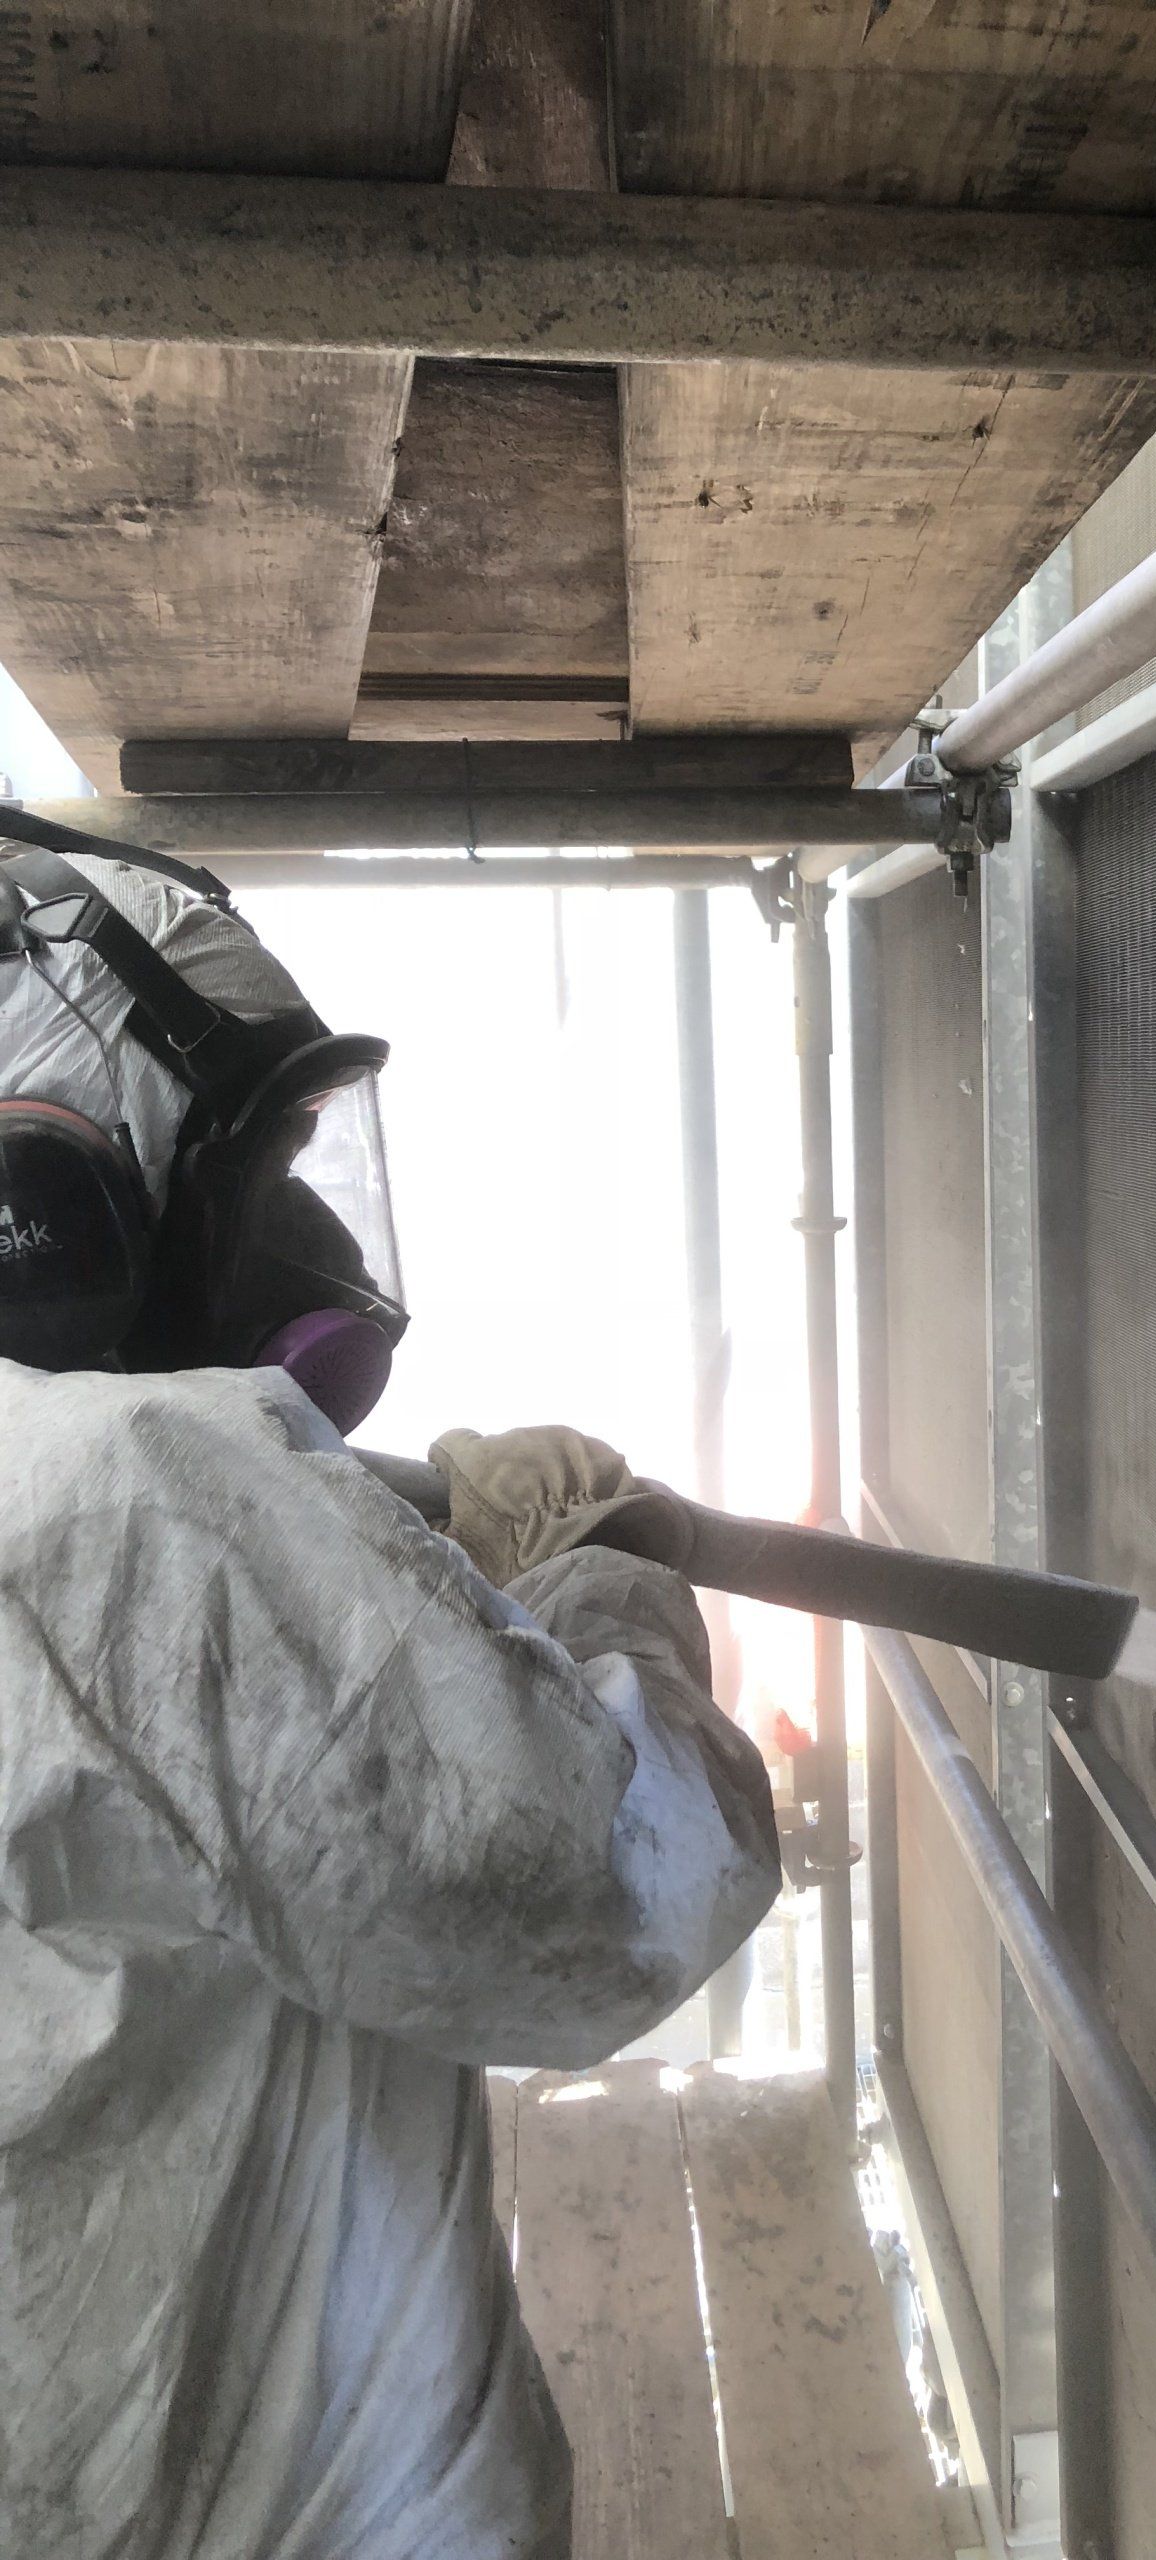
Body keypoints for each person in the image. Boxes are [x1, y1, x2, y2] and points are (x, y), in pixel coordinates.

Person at [0, 827, 781, 2559]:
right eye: (255, 1169)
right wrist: (594, 1579)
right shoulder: (131, 1492)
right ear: (48, 1207)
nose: (295, 1232)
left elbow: (218, 1798)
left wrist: (408, 1570)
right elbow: (605, 1890)